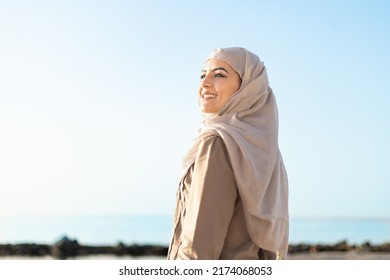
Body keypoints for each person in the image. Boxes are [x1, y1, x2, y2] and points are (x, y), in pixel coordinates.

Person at [167, 47, 289, 260]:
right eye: (203, 75)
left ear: (247, 88)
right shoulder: (265, 152)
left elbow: (198, 245)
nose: (204, 83)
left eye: (219, 74)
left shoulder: (216, 144)